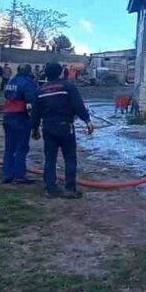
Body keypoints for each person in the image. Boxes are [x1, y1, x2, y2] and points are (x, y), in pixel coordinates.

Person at [31, 62, 95, 198]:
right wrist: (87, 121)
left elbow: (35, 112)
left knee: (50, 158)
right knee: (70, 158)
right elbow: (78, 105)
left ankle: (50, 189)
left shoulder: (40, 90)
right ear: (61, 73)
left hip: (48, 127)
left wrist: (35, 128)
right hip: (66, 126)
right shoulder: (68, 86)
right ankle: (70, 189)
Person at [2, 64, 38, 184]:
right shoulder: (29, 83)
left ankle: (7, 173)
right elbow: (30, 103)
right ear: (28, 71)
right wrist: (34, 122)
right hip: (21, 117)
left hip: (8, 116)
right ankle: (19, 174)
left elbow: (6, 95)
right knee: (21, 147)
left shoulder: (12, 81)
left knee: (9, 147)